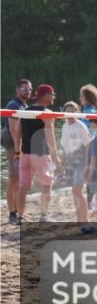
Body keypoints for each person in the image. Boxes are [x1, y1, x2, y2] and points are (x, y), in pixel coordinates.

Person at [14, 84, 60, 223]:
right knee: (46, 185)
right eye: (52, 95)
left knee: (23, 187)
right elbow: (50, 136)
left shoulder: (24, 111)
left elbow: (17, 133)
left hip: (25, 155)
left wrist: (17, 152)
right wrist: (55, 155)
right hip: (41, 154)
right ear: (45, 95)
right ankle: (43, 216)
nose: (53, 97)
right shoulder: (47, 113)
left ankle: (19, 217)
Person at [2, 79, 31, 224]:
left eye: (29, 89)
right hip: (11, 141)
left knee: (19, 178)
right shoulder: (13, 104)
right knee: (14, 176)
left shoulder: (25, 106)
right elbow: (14, 130)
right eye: (25, 89)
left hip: (19, 143)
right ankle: (12, 213)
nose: (28, 91)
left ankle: (17, 210)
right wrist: (18, 151)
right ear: (17, 90)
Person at [60, 101, 91, 230]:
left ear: (77, 112)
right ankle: (79, 219)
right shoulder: (64, 126)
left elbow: (88, 145)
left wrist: (87, 164)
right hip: (70, 162)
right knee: (74, 192)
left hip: (80, 161)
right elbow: (64, 146)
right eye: (68, 111)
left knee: (77, 191)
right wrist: (62, 163)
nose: (70, 113)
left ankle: (85, 221)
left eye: (73, 111)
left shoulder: (81, 126)